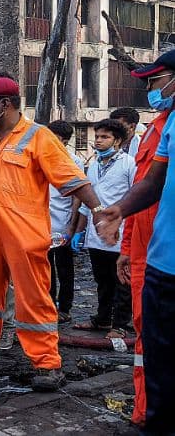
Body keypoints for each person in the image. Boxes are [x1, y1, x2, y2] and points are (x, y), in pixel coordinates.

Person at [0, 76, 105, 391]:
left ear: (5, 103)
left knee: (33, 296)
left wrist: (99, 213)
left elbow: (73, 181)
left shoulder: (39, 137)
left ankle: (47, 363)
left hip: (24, 233)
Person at [96, 51, 175, 434]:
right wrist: (120, 217)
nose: (151, 90)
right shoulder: (168, 123)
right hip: (160, 261)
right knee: (156, 353)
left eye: (156, 81)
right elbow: (151, 184)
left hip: (159, 260)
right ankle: (151, 418)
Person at [71, 119, 136, 339]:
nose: (98, 141)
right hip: (95, 234)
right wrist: (79, 231)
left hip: (120, 233)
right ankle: (102, 318)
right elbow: (87, 205)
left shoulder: (129, 164)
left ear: (117, 140)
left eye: (104, 137)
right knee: (102, 281)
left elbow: (136, 198)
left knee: (122, 281)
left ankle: (120, 325)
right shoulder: (93, 166)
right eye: (97, 137)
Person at [46, 120, 84, 324]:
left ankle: (65, 307)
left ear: (64, 141)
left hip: (63, 222)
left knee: (64, 267)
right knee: (46, 267)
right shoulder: (41, 157)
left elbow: (78, 194)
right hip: (42, 223)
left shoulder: (73, 161)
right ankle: (49, 305)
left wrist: (72, 225)